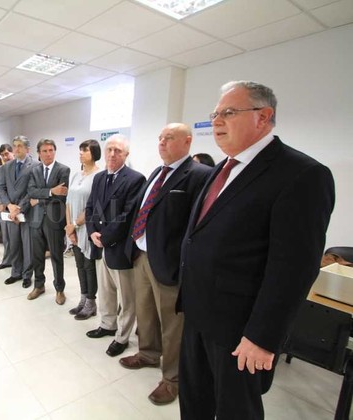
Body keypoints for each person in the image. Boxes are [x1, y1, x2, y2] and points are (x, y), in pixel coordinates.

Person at [178, 81, 335, 419]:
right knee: (194, 402)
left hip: (240, 330)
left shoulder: (301, 174)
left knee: (236, 410)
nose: (216, 121)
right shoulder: (223, 168)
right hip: (198, 313)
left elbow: (294, 269)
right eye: (215, 114)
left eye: (228, 112)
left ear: (263, 117)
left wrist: (262, 337)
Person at [120, 123, 212, 406]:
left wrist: (183, 264)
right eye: (160, 137)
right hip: (142, 256)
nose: (162, 142)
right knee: (145, 313)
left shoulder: (199, 175)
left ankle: (173, 379)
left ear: (187, 141)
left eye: (169, 138)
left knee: (172, 325)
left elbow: (198, 226)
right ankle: (148, 353)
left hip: (169, 264)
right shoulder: (157, 173)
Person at [85, 134, 146, 357]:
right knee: (106, 291)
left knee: (126, 298)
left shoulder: (135, 179)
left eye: (117, 150)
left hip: (121, 247)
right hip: (101, 244)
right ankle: (107, 324)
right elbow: (91, 207)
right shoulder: (99, 178)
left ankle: (122, 337)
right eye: (109, 149)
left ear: (126, 154)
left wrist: (105, 237)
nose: (112, 154)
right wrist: (92, 232)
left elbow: (127, 216)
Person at [27, 138, 70, 305]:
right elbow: (31, 191)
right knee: (37, 256)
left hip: (54, 219)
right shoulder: (34, 170)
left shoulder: (63, 170)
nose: (48, 154)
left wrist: (39, 199)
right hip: (36, 219)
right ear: (39, 153)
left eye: (51, 150)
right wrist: (51, 191)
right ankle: (39, 285)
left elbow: (61, 196)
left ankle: (59, 289)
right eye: (44, 151)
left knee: (56, 256)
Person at [66, 140, 101, 320]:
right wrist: (69, 227)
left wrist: (75, 225)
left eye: (85, 150)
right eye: (80, 150)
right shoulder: (76, 175)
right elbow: (68, 202)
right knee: (79, 265)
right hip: (73, 227)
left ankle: (91, 302)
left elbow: (93, 206)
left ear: (94, 153)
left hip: (87, 227)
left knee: (89, 266)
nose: (81, 153)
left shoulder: (99, 176)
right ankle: (83, 298)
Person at [0, 137, 37, 287]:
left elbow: (32, 190)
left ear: (27, 149)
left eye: (20, 146)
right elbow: (1, 188)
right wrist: (9, 205)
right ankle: (15, 272)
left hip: (27, 212)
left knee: (27, 246)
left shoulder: (35, 165)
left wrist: (19, 207)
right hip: (11, 212)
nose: (17, 149)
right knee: (13, 244)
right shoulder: (6, 166)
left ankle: (27, 275)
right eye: (15, 146)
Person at [0, 143, 15, 270]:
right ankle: (7, 260)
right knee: (6, 237)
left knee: (16, 239)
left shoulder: (19, 168)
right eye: (2, 155)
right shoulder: (0, 170)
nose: (5, 157)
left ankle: (18, 263)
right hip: (3, 209)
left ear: (12, 153)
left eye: (7, 154)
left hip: (16, 209)